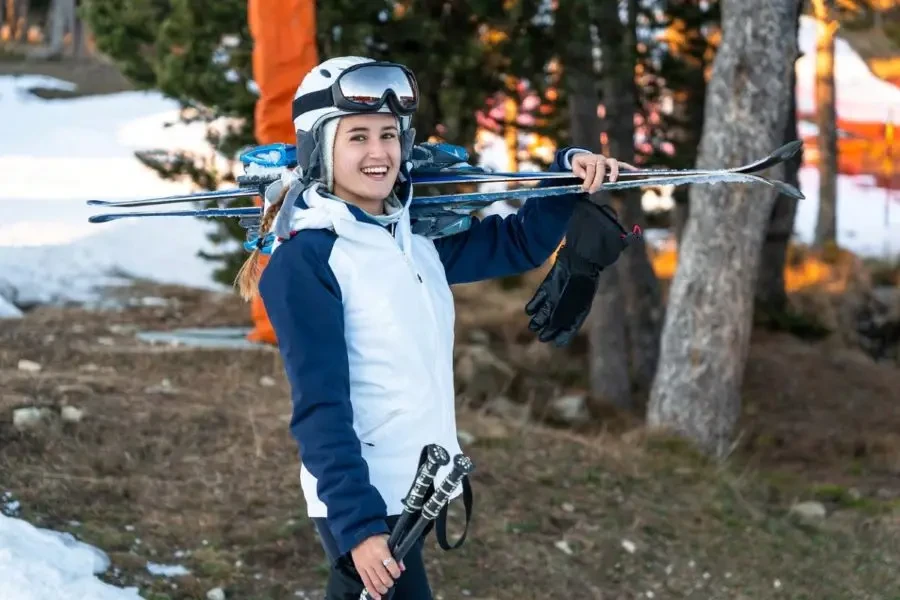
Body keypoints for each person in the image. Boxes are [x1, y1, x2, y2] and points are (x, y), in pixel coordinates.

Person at [234, 56, 632, 600]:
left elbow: (518, 242)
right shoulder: (307, 262)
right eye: (357, 137)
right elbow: (319, 407)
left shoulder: (412, 240)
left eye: (388, 135)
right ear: (319, 147)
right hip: (369, 505)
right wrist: (359, 527)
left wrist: (567, 176)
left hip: (418, 492)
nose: (379, 153)